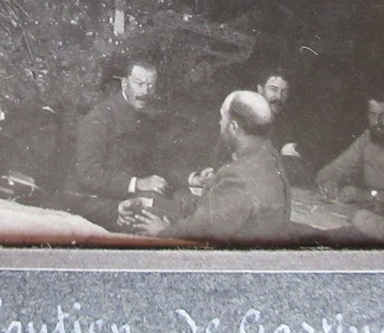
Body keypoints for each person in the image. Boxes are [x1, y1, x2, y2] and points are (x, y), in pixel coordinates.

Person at [124, 90, 291, 245]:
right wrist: (151, 203)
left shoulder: (240, 176)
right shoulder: (267, 157)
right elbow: (213, 211)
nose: (220, 123)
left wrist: (162, 232)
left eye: (222, 118)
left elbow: (203, 231)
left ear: (233, 128)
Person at [66, 57, 211, 230]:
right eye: (139, 84)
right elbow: (88, 174)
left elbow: (157, 164)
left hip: (129, 196)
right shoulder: (99, 118)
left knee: (186, 200)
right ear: (124, 83)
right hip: (94, 201)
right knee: (176, 218)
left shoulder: (144, 121)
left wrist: (193, 178)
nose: (145, 92)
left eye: (151, 85)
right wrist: (137, 183)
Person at [315, 92, 384, 214]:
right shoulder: (367, 139)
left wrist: (368, 196)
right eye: (373, 115)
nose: (377, 122)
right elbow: (334, 169)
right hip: (371, 212)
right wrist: (329, 181)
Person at [255, 66, 313, 187]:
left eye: (284, 92)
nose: (279, 97)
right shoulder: (244, 120)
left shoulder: (286, 125)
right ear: (260, 90)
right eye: (273, 89)